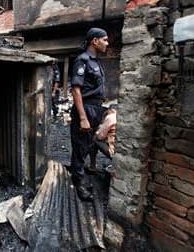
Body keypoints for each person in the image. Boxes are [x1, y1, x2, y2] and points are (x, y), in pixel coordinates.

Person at [70, 27, 109, 201]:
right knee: (80, 147)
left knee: (88, 145)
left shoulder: (96, 62)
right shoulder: (82, 60)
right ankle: (79, 185)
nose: (107, 43)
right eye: (105, 40)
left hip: (96, 109)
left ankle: (81, 175)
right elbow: (76, 90)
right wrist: (83, 117)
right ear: (95, 41)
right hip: (85, 109)